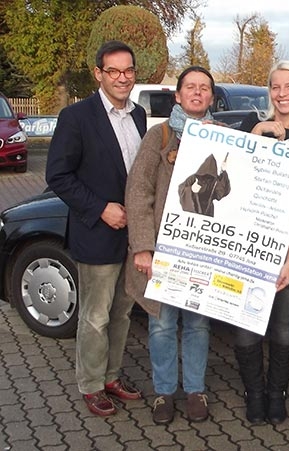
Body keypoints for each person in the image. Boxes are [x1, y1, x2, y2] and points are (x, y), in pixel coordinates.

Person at [45, 40, 146, 417]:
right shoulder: (77, 117)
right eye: (114, 71)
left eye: (128, 70)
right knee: (95, 316)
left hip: (133, 235)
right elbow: (58, 175)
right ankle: (90, 384)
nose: (122, 78)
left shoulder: (138, 115)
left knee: (121, 313)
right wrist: (101, 208)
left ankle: (111, 376)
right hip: (98, 233)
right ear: (99, 74)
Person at [125, 66, 223, 425]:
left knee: (197, 324)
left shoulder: (224, 138)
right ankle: (164, 393)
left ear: (211, 96)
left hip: (204, 252)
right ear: (178, 96)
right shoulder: (160, 135)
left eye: (204, 88)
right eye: (190, 87)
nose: (197, 92)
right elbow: (138, 192)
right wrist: (142, 247)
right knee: (162, 324)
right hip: (165, 251)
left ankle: (195, 390)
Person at [234, 60, 289, 425]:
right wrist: (257, 131)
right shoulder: (252, 128)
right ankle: (254, 393)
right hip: (246, 244)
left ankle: (276, 393)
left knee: (283, 325)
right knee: (246, 322)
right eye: (275, 86)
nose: (282, 93)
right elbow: (233, 175)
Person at [178, 152, 230, 216]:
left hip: (208, 212)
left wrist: (223, 172)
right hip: (194, 208)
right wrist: (191, 189)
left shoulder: (214, 182)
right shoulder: (194, 178)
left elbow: (222, 192)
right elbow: (181, 188)